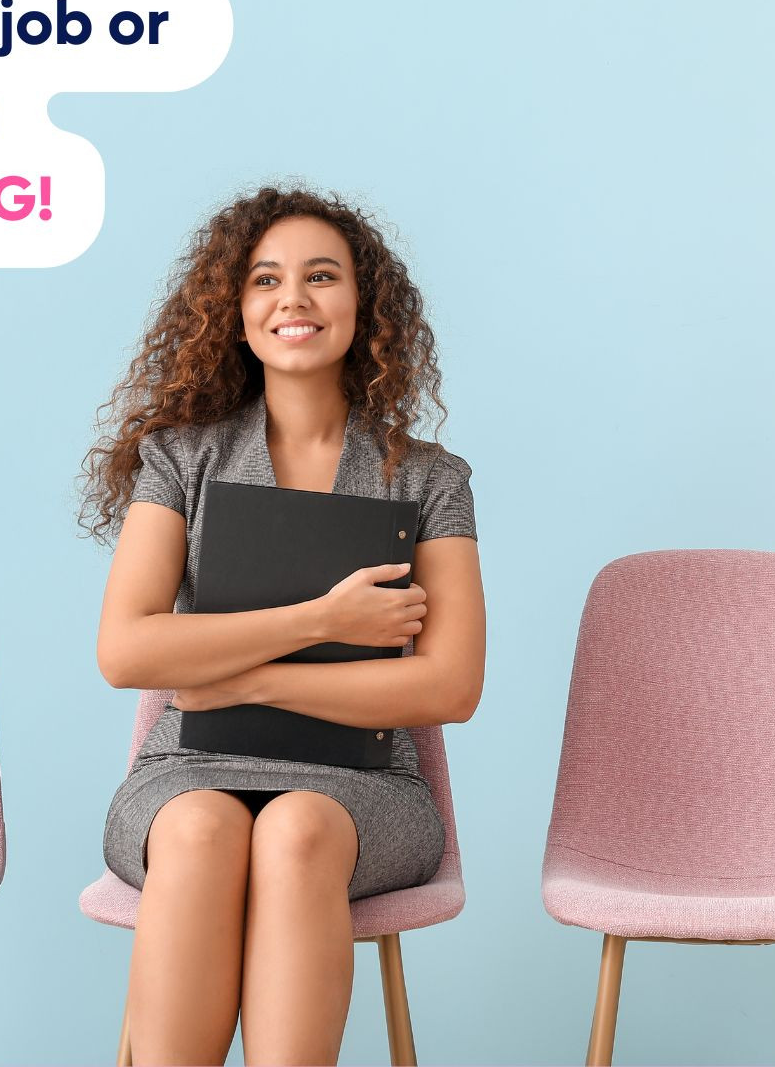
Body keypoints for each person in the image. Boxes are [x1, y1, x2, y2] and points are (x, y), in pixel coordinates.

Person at [79, 185, 486, 1065]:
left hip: (366, 786)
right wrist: (324, 619)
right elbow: (127, 649)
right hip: (187, 770)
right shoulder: (179, 459)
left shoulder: (431, 479)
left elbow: (449, 686)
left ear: (365, 305)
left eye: (321, 276)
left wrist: (247, 677)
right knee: (200, 832)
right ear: (233, 310)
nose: (292, 298)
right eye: (265, 279)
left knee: (297, 830)